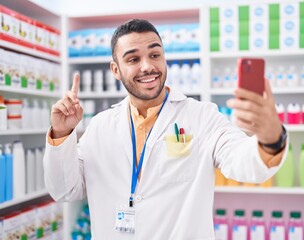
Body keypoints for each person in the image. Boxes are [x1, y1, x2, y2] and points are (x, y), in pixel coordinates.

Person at [44, 19, 288, 239]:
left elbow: (244, 164)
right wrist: (61, 134)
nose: (147, 66)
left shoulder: (202, 117)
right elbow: (65, 190)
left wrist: (270, 139)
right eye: (133, 59)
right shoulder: (100, 126)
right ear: (115, 70)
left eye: (155, 55)